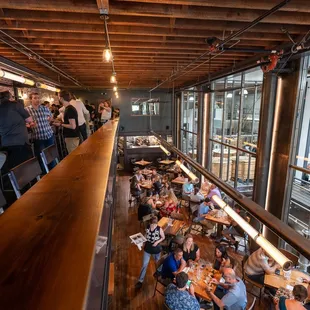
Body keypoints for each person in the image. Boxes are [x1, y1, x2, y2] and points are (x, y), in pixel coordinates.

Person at [0, 91, 33, 169]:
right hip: (20, 141)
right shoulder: (15, 105)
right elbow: (29, 120)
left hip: (6, 143)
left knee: (12, 168)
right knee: (26, 167)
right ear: (10, 97)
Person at [25, 92, 55, 171]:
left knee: (51, 155)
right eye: (35, 98)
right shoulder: (27, 110)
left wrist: (49, 119)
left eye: (38, 98)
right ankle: (45, 173)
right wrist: (30, 125)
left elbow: (51, 117)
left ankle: (54, 171)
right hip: (38, 137)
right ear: (30, 99)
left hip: (49, 135)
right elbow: (24, 123)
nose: (37, 100)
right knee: (41, 157)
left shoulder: (44, 108)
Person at [135, 216, 165, 289]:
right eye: (152, 224)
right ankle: (140, 281)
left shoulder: (159, 229)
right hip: (147, 248)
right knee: (144, 264)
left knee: (157, 262)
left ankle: (158, 273)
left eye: (155, 224)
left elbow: (163, 237)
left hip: (156, 249)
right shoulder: (148, 227)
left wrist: (157, 242)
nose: (153, 226)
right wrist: (142, 242)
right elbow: (146, 235)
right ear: (150, 223)